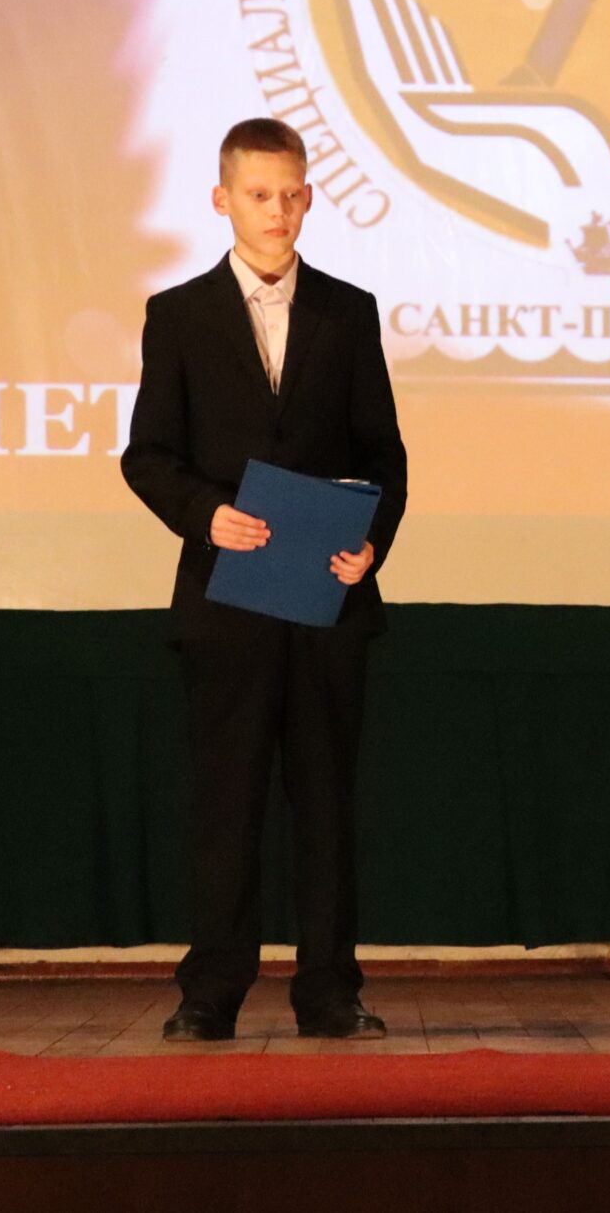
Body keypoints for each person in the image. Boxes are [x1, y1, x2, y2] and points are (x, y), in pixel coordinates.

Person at [122, 118, 408, 1042]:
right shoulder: (178, 314)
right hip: (227, 599)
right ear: (222, 199)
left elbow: (384, 455)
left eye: (290, 194)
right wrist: (205, 512)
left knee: (326, 805)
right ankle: (210, 991)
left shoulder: (348, 311)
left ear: (309, 196)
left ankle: (329, 990)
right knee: (227, 803)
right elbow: (147, 456)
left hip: (327, 597)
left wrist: (371, 541)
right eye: (257, 194)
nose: (276, 211)